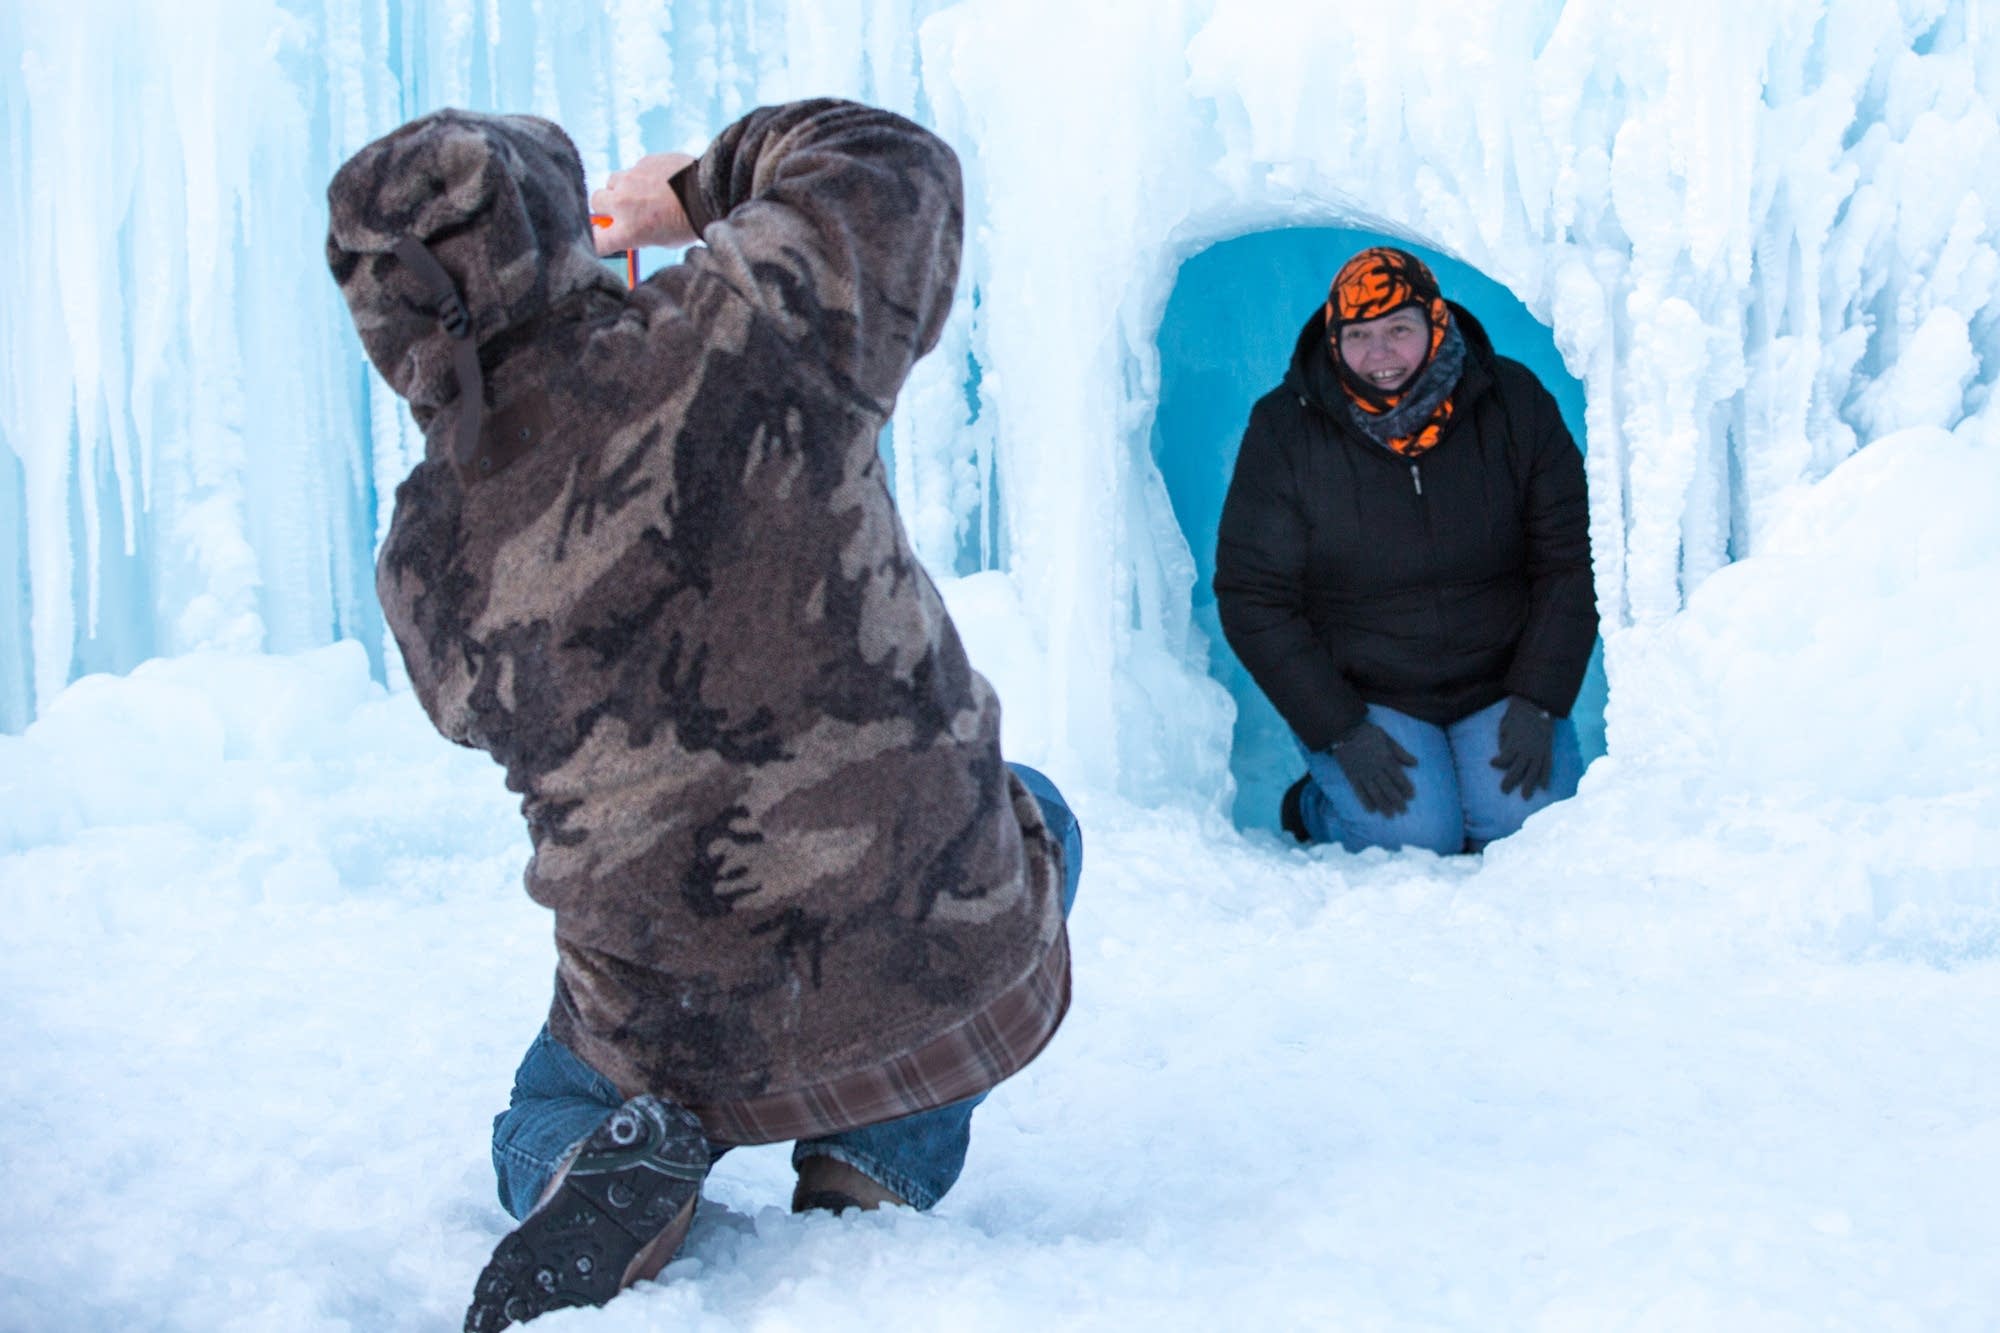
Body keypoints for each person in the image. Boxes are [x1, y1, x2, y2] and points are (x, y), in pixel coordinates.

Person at [325, 99, 1079, 1330]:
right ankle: (870, 1164)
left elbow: (468, 713)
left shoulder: (423, 551)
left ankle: (590, 1164)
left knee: (549, 1099)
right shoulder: (745, 323)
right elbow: (896, 167)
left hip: (671, 1004)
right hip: (921, 926)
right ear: (556, 225)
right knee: (1030, 821)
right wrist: (694, 193)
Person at [1214, 246, 1596, 856]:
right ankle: (1313, 802)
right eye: (1359, 334)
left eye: (1399, 329)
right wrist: (1338, 728)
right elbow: (1253, 595)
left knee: (1527, 824)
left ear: (1435, 323)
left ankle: (1466, 781)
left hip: (1499, 681)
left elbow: (1568, 559)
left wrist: (1539, 699)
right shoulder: (1288, 430)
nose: (1380, 354)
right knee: (1414, 836)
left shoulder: (1513, 403)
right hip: (1369, 695)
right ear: (1334, 339)